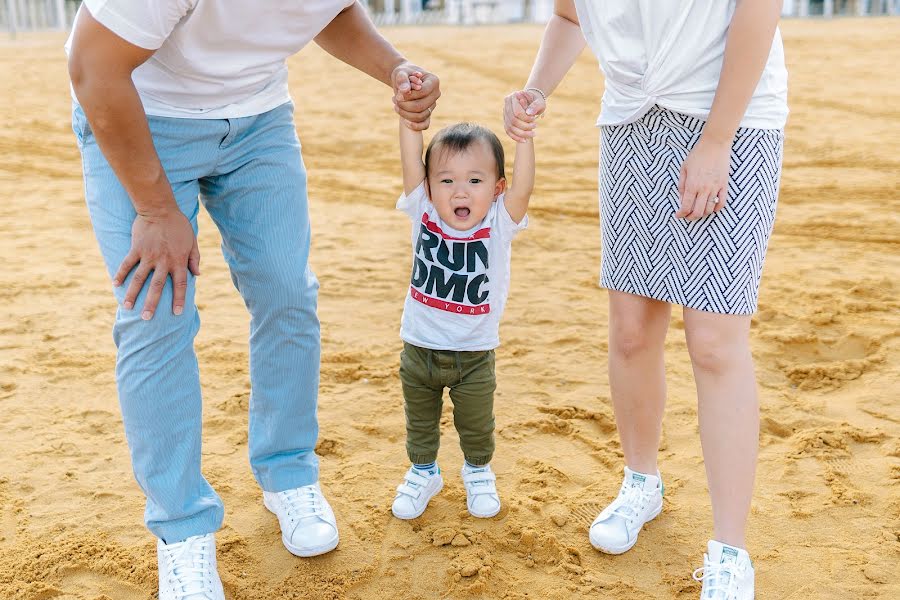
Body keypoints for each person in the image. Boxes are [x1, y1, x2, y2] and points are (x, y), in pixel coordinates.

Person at [65, 1, 440, 597]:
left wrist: (394, 67)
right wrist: (156, 209)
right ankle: (182, 529)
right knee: (156, 312)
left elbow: (329, 9)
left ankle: (287, 472)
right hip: (143, 114)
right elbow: (92, 67)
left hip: (258, 120)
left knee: (288, 293)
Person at [503, 1, 787, 598]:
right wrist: (536, 90)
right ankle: (642, 482)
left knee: (713, 343)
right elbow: (569, 15)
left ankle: (730, 549)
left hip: (730, 122)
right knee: (631, 331)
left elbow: (759, 10)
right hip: (632, 124)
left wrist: (716, 141)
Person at [390, 82, 535, 520]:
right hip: (419, 347)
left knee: (476, 425)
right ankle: (423, 471)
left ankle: (477, 472)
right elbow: (410, 160)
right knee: (420, 423)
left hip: (474, 353)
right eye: (446, 180)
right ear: (429, 185)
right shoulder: (424, 210)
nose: (459, 192)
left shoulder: (499, 222)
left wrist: (524, 139)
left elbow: (525, 188)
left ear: (496, 187)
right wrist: (410, 118)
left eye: (475, 181)